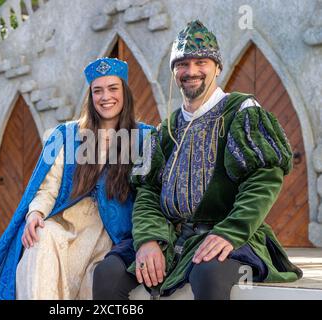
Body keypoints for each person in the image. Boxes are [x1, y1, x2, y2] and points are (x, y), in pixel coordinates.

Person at [93, 20, 302, 300]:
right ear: (174, 71)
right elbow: (148, 192)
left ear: (217, 67)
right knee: (108, 273)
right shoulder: (164, 131)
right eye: (182, 64)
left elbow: (263, 180)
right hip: (172, 239)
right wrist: (148, 239)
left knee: (208, 273)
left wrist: (230, 233)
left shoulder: (240, 112)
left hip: (231, 235)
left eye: (201, 62)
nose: (191, 71)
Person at [0, 57, 153, 299]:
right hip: (66, 224)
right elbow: (48, 188)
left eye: (113, 88)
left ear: (125, 92)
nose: (105, 97)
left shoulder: (145, 137)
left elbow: (150, 193)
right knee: (41, 238)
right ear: (90, 96)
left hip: (109, 232)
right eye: (97, 91)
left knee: (93, 277)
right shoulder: (67, 135)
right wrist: (36, 214)